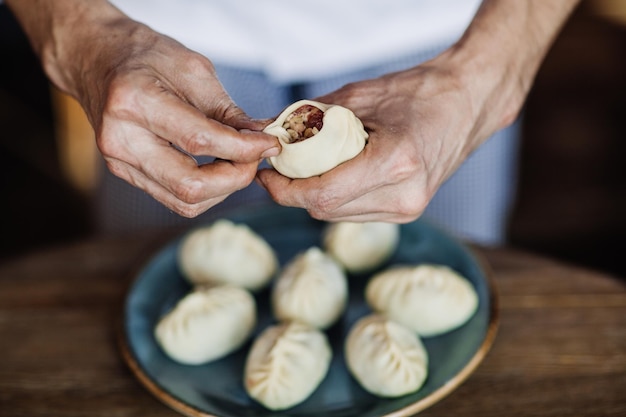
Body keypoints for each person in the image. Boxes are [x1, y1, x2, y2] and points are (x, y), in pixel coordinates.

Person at [4, 0, 580, 245]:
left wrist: (485, 76)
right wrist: (75, 31)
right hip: (150, 44)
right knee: (149, 300)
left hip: (447, 45)